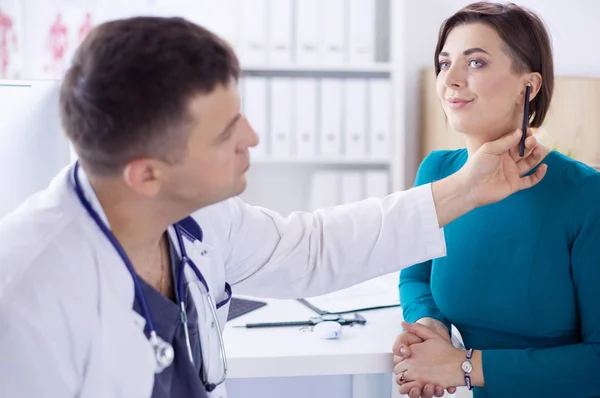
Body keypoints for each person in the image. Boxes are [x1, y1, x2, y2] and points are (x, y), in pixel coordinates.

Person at [0, 16, 545, 398]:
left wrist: (468, 188)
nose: (253, 138)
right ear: (148, 174)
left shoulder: (196, 218)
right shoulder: (23, 296)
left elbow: (310, 249)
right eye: (225, 133)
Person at [392, 3, 600, 398]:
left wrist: (463, 366)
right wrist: (429, 328)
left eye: (475, 63)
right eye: (444, 62)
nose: (450, 79)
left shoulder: (585, 194)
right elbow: (414, 275)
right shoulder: (436, 172)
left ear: (529, 86)